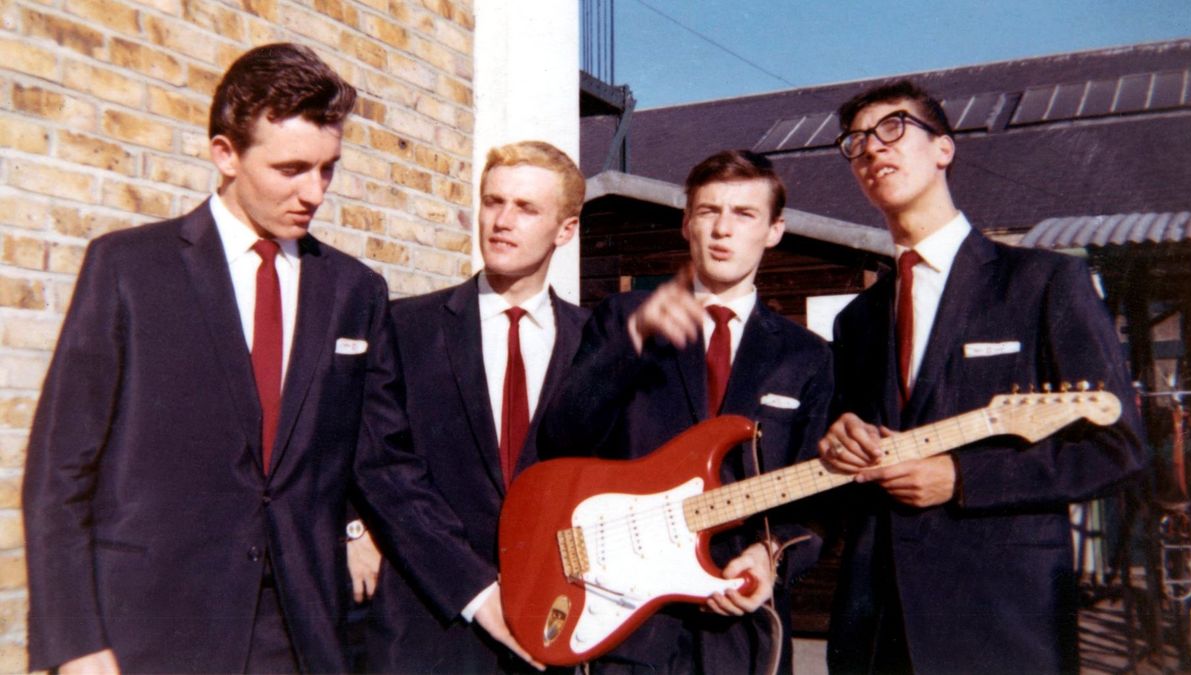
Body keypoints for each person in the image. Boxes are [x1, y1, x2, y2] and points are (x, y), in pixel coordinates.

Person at [22, 43, 530, 674]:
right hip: (148, 630)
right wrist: (74, 642)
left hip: (298, 634)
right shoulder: (128, 269)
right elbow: (60, 471)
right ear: (225, 155)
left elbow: (388, 472)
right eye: (291, 169)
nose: (313, 192)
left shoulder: (354, 292)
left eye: (327, 169)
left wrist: (483, 597)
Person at [818, 79, 1147, 674]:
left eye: (893, 128)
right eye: (856, 142)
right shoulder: (858, 321)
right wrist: (838, 439)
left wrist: (965, 478)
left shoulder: (1044, 283)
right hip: (876, 625)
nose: (871, 149)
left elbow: (1118, 449)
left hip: (1000, 620)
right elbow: (849, 460)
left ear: (944, 148)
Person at [539, 149, 833, 674]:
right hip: (630, 618)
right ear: (686, 223)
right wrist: (628, 348)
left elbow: (816, 500)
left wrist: (771, 558)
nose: (723, 230)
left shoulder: (805, 355)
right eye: (708, 211)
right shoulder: (623, 319)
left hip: (739, 624)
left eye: (744, 215)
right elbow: (562, 439)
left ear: (774, 230)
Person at [345, 140, 589, 672]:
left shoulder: (597, 344)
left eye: (526, 208)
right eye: (492, 201)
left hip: (553, 626)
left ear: (566, 229)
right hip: (428, 622)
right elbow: (372, 458)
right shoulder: (404, 326)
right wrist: (356, 525)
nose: (502, 221)